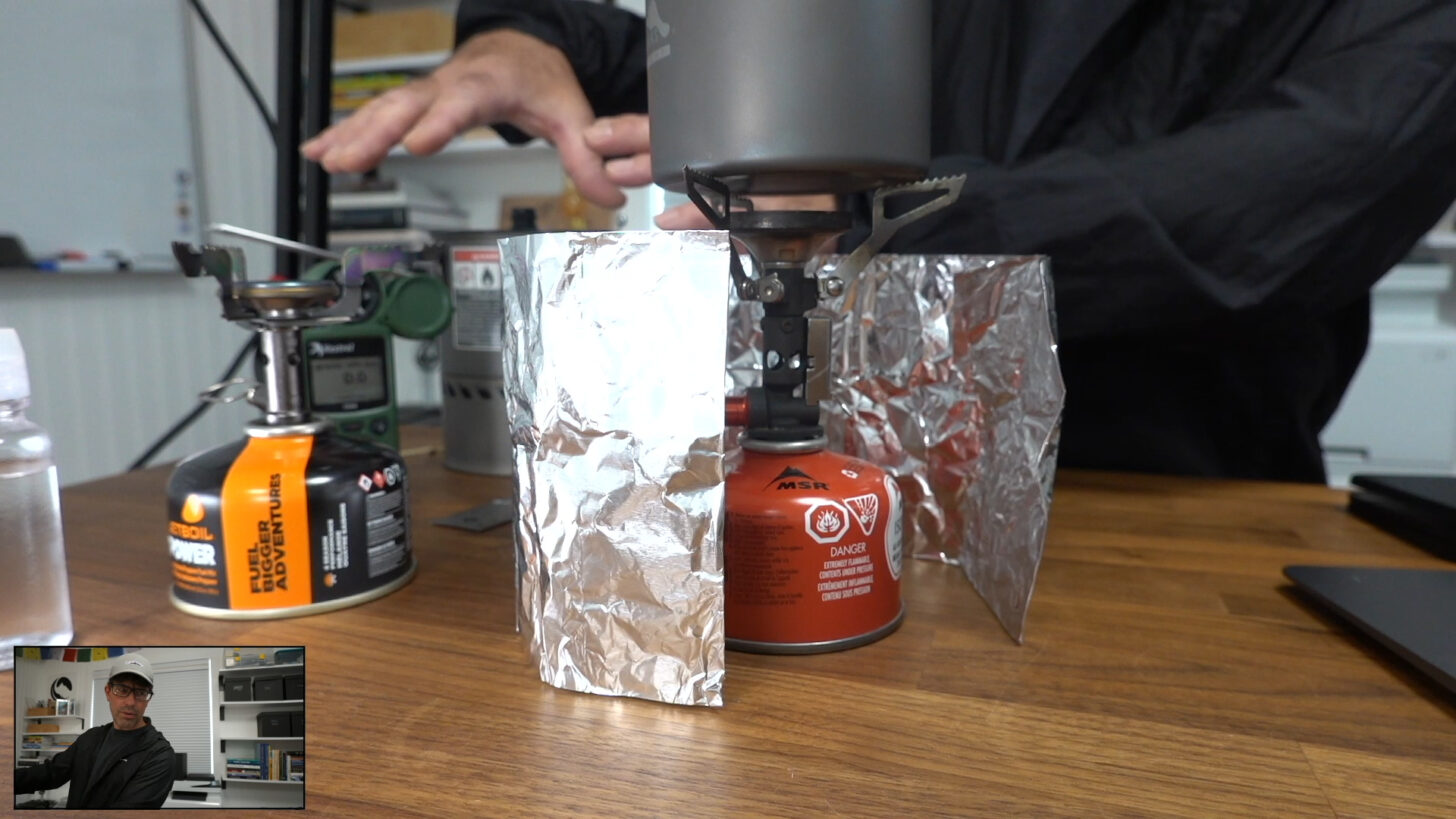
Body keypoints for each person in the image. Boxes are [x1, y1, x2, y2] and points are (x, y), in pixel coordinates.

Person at [304, 1, 1456, 483]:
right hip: (862, 474)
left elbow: (1292, 192)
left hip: (1177, 497)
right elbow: (757, 54)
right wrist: (523, 39)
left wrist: (884, 220)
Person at [14, 654, 176, 809]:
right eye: (121, 689)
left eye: (140, 692)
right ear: (108, 692)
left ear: (148, 699)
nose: (130, 701)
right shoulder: (91, 738)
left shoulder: (159, 755)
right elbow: (51, 773)